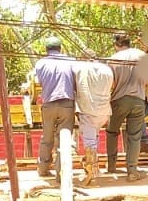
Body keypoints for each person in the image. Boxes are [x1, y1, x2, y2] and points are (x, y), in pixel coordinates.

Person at [33, 38, 81, 179]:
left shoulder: (40, 64)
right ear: (61, 48)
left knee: (47, 138)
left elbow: (36, 82)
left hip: (48, 104)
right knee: (64, 140)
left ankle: (43, 168)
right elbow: (77, 81)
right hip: (67, 104)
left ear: (47, 50)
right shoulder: (71, 61)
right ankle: (60, 173)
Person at [105, 31, 148, 178]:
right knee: (134, 136)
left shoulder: (112, 59)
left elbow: (110, 84)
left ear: (116, 44)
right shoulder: (142, 56)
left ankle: (111, 167)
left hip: (118, 100)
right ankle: (132, 170)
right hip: (138, 100)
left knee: (112, 132)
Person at [74, 58, 114, 183]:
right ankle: (93, 168)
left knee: (90, 143)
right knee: (94, 138)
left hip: (88, 110)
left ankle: (91, 174)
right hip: (104, 111)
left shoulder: (80, 68)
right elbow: (113, 86)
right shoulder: (106, 69)